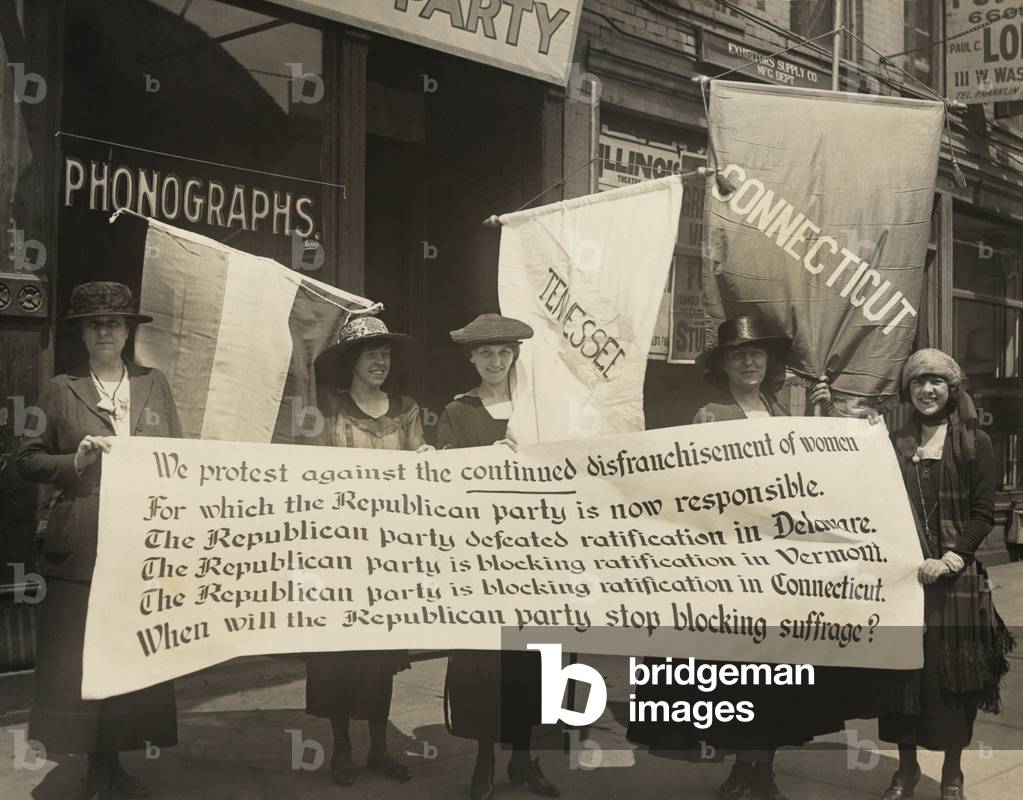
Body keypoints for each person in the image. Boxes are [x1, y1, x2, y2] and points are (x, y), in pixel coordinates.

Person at [628, 315, 841, 800]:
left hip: (779, 567)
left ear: (768, 364)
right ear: (723, 364)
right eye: (739, 354)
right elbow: (696, 492)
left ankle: (762, 769)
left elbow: (807, 477)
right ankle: (745, 768)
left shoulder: (780, 415)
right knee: (740, 675)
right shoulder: (710, 415)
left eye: (757, 354)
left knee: (776, 675)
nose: (749, 361)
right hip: (732, 566)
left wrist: (821, 423)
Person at [17, 281, 181, 800]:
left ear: (129, 331)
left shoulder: (155, 385)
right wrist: (74, 462)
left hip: (141, 541)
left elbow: (177, 460)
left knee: (131, 654)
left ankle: (116, 763)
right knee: (83, 658)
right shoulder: (58, 389)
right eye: (95, 323)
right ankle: (95, 764)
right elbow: (25, 460)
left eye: (115, 322)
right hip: (82, 542)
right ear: (82, 334)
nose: (106, 331)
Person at [877, 348, 1014, 800]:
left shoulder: (975, 443)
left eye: (936, 382)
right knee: (903, 681)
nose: (927, 390)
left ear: (951, 390)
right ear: (907, 390)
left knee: (954, 681)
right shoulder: (893, 444)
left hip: (955, 581)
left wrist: (953, 558)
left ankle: (953, 773)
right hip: (905, 583)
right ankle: (907, 770)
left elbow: (982, 513)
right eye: (918, 382)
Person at [305, 315, 432, 787]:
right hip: (338, 553)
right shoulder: (328, 409)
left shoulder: (407, 409)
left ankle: (380, 748)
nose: (380, 361)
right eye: (370, 353)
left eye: (385, 353)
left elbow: (421, 472)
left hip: (387, 555)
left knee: (381, 656)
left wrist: (426, 461)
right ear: (352, 361)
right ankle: (342, 749)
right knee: (339, 652)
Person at [437, 313, 560, 800]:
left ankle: (524, 759)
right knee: (485, 662)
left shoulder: (540, 412)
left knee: (533, 659)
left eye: (503, 352)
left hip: (535, 556)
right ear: (471, 358)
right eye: (485, 353)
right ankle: (484, 758)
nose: (494, 360)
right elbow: (450, 487)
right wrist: (486, 457)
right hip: (483, 558)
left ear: (515, 357)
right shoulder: (457, 411)